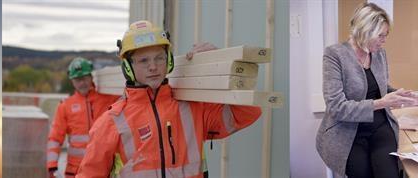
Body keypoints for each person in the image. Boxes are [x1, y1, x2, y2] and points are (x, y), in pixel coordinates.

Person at [76, 20, 262, 178]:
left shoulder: (193, 108)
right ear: (127, 67)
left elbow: (248, 113)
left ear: (169, 60)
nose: (153, 67)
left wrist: (223, 66)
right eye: (143, 61)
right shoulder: (112, 122)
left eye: (159, 58)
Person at [316, 3, 418, 177]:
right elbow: (336, 107)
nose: (384, 40)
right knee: (362, 173)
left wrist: (398, 95)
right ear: (365, 31)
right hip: (347, 132)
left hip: (380, 126)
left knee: (388, 173)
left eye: (386, 35)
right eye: (381, 35)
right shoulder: (334, 55)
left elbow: (380, 88)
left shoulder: (380, 54)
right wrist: (382, 102)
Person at [46, 57, 121, 177]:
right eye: (77, 79)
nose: (82, 83)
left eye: (84, 78)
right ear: (72, 81)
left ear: (91, 77)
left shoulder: (109, 99)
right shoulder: (65, 106)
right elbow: (55, 138)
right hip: (75, 170)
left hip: (101, 168)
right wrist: (52, 165)